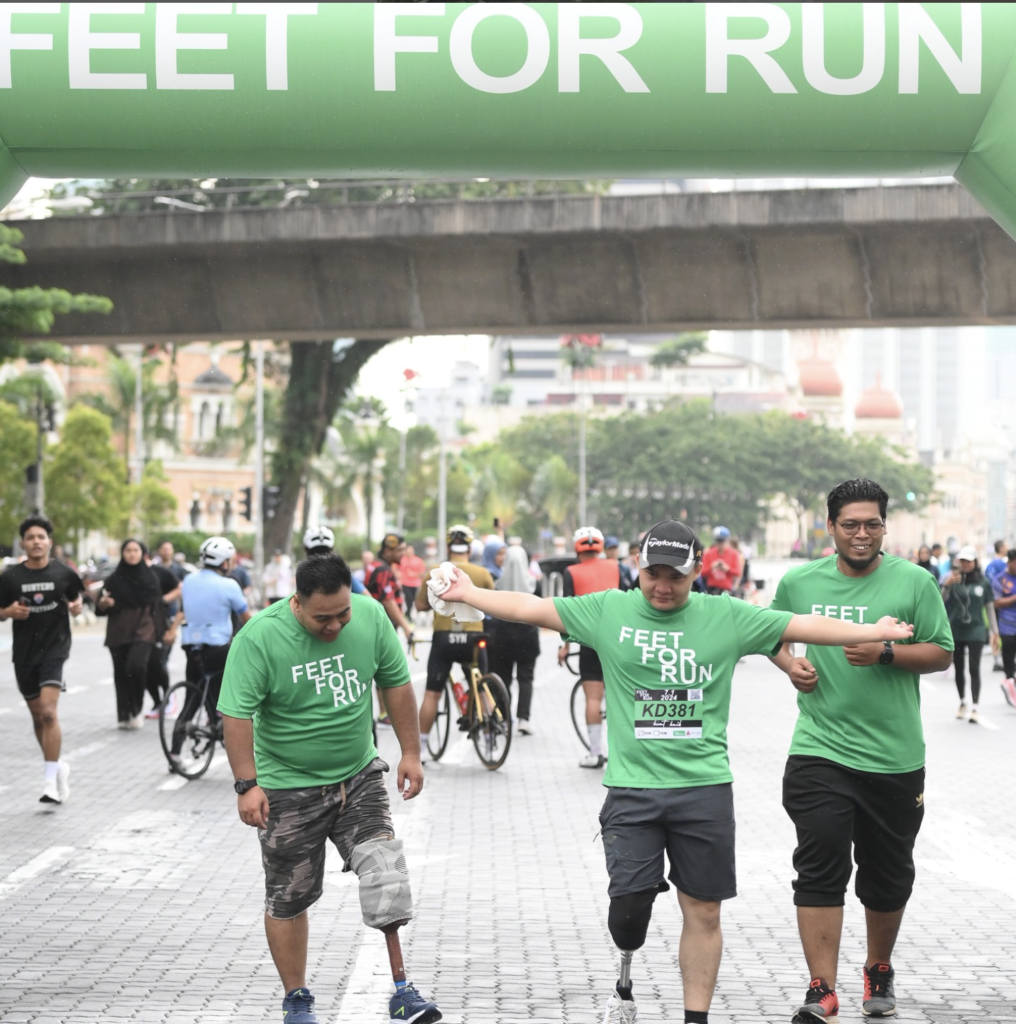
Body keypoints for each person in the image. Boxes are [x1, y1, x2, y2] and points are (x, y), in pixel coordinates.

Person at [436, 516, 915, 1024]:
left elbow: (801, 625)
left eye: (676, 577)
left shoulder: (724, 616)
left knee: (704, 912)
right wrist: (469, 592)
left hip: (704, 789)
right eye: (653, 575)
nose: (663, 587)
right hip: (631, 790)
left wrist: (874, 631)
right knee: (629, 911)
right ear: (637, 568)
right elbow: (530, 607)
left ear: (697, 572)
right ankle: (625, 964)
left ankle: (695, 1018)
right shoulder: (609, 610)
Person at [218, 554, 441, 1024]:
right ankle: (296, 997)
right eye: (323, 617)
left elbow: (395, 684)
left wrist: (411, 753)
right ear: (296, 602)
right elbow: (235, 714)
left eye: (343, 613)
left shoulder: (372, 614)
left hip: (357, 775)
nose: (336, 625)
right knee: (289, 896)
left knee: (386, 874)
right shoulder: (260, 637)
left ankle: (403, 991)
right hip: (286, 787)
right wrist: (246, 784)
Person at [768, 478, 953, 1023]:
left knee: (887, 872)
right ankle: (821, 988)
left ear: (884, 526)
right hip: (819, 748)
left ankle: (878, 965)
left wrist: (887, 652)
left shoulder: (914, 582)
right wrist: (789, 663)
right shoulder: (800, 581)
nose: (862, 533)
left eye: (872, 523)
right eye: (850, 524)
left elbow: (941, 652)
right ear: (830, 528)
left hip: (894, 758)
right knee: (819, 859)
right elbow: (770, 632)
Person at [0, 514, 83, 804]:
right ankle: (57, 765)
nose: (36, 542)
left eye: (41, 537)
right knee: (37, 716)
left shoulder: (64, 573)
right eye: (31, 537)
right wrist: (7, 612)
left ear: (49, 541)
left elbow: (76, 599)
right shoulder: (10, 576)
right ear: (23, 542)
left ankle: (49, 782)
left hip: (55, 649)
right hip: (23, 653)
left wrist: (76, 607)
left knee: (48, 711)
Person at [166, 536, 251, 766]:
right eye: (230, 560)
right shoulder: (229, 584)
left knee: (192, 698)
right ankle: (222, 720)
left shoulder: (190, 580)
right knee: (235, 686)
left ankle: (174, 755)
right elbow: (247, 618)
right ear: (223, 562)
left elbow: (185, 610)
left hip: (191, 648)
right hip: (219, 648)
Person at [415, 524, 495, 754]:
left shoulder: (434, 571)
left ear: (449, 547)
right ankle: (490, 742)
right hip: (474, 637)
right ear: (470, 548)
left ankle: (420, 748)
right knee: (481, 688)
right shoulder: (481, 573)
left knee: (432, 693)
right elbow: (491, 600)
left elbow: (420, 605)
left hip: (444, 638)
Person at [560, 526, 626, 770]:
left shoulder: (570, 572)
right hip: (620, 639)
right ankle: (625, 752)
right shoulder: (616, 566)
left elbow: (566, 612)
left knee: (593, 698)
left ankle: (596, 753)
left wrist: (565, 647)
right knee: (622, 696)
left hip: (589, 640)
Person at [95, 539, 169, 730]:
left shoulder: (151, 578)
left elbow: (157, 607)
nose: (132, 554)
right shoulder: (114, 579)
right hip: (118, 630)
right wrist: (104, 604)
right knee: (120, 673)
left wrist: (162, 633)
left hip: (144, 630)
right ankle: (124, 715)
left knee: (136, 667)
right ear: (122, 553)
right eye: (128, 550)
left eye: (136, 550)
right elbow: (101, 607)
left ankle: (135, 710)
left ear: (142, 553)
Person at [941, 545, 998, 724]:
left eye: (968, 561)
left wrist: (995, 632)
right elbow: (941, 601)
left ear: (975, 562)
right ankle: (962, 702)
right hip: (956, 630)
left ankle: (975, 706)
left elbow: (989, 608)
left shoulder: (984, 582)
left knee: (974, 669)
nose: (965, 564)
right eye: (962, 560)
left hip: (976, 631)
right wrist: (947, 585)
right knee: (958, 668)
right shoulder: (952, 579)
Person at [487, 546, 540, 735]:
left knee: (503, 679)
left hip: (501, 637)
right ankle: (523, 719)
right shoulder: (535, 584)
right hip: (528, 637)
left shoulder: (497, 585)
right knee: (525, 679)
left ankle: (505, 716)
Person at [155, 539, 188, 669]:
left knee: (170, 634)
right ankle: (160, 661)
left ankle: (164, 660)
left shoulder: (179, 570)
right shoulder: (155, 569)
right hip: (157, 608)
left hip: (173, 609)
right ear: (159, 551)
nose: (167, 552)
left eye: (169, 549)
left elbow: (184, 588)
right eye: (164, 549)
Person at [303, 527, 365, 594]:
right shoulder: (341, 572)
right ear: (332, 550)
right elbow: (367, 597)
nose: (320, 558)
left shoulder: (303, 575)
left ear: (306, 551)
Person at [990, 548, 1016, 708]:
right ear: (1010, 562)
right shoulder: (1000, 579)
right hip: (1007, 628)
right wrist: (1014, 598)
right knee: (1008, 661)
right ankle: (1010, 688)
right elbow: (996, 602)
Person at [984, 540, 1008, 672]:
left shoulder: (990, 565)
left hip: (991, 601)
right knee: (1004, 630)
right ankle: (1004, 657)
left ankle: (996, 659)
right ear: (1001, 548)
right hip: (1004, 602)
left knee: (994, 629)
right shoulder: (1002, 565)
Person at [700, 527, 742, 596]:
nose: (720, 544)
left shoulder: (733, 554)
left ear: (727, 541)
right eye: (718, 541)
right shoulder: (708, 553)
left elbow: (738, 572)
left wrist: (727, 568)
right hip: (711, 588)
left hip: (726, 589)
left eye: (722, 541)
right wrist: (712, 566)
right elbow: (702, 572)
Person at [399, 544, 426, 617]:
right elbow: (396, 570)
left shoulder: (418, 560)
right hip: (405, 583)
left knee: (415, 600)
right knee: (408, 599)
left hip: (415, 584)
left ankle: (409, 614)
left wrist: (413, 574)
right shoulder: (401, 560)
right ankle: (408, 614)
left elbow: (422, 573)